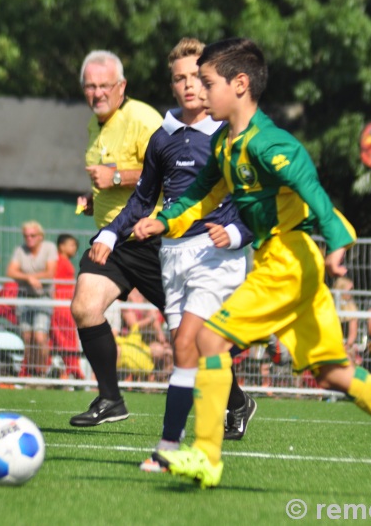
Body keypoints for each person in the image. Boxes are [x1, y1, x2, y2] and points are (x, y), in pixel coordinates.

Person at [133, 38, 371, 498]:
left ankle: (206, 457)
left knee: (208, 338)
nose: (200, 93)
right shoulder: (228, 143)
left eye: (208, 83)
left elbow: (308, 181)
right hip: (287, 261)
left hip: (287, 260)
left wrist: (338, 237)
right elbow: (201, 194)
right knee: (334, 373)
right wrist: (164, 219)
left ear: (240, 84)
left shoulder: (269, 143)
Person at [88, 38, 257, 466]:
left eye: (199, 78)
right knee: (195, 351)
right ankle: (220, 421)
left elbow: (252, 200)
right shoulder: (163, 139)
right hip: (173, 255)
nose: (190, 87)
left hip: (215, 257)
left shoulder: (230, 135)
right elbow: (143, 198)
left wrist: (235, 233)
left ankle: (173, 450)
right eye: (180, 78)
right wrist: (109, 234)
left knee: (187, 345)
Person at [68, 49, 165, 426]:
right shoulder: (96, 125)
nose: (97, 93)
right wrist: (95, 201)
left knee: (187, 325)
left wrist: (118, 178)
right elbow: (110, 181)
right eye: (90, 86)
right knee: (84, 307)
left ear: (121, 86)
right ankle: (111, 399)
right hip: (110, 239)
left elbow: (169, 172)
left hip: (149, 235)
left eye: (104, 85)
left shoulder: (143, 118)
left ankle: (235, 400)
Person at [7, 221, 57, 377]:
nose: (29, 238)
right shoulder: (20, 250)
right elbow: (11, 271)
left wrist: (29, 277)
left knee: (40, 336)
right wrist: (29, 278)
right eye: (26, 236)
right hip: (24, 298)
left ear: (40, 236)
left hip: (43, 298)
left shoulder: (49, 248)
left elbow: (50, 273)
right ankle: (32, 371)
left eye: (32, 235)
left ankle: (44, 371)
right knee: (27, 338)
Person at [50, 234, 83, 379]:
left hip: (63, 304)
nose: (74, 248)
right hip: (61, 306)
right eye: (71, 245)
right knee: (66, 339)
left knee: (56, 340)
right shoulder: (59, 261)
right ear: (61, 246)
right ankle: (74, 371)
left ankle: (67, 371)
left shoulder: (62, 261)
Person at [332, 276, 360, 364]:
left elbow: (352, 335)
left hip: (346, 346)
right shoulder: (328, 306)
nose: (351, 293)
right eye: (349, 290)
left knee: (347, 358)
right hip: (330, 344)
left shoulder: (352, 308)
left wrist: (345, 347)